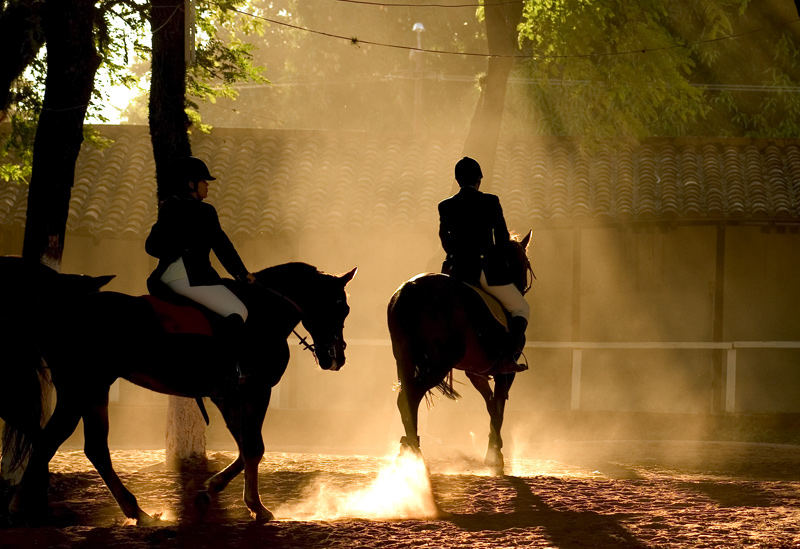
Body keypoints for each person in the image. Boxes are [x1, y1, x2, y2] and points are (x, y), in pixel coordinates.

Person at [145, 156, 255, 379]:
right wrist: (242, 274)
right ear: (190, 184)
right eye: (204, 181)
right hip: (187, 277)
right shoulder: (205, 211)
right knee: (239, 310)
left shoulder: (169, 207)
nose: (207, 186)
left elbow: (152, 246)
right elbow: (222, 246)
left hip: (170, 275)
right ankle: (231, 369)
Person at [438, 156, 529, 373]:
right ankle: (508, 358)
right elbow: (502, 239)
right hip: (484, 272)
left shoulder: (445, 206)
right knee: (521, 307)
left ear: (458, 180)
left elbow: (445, 239)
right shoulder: (491, 202)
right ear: (479, 179)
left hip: (457, 271)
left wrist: (456, 255)